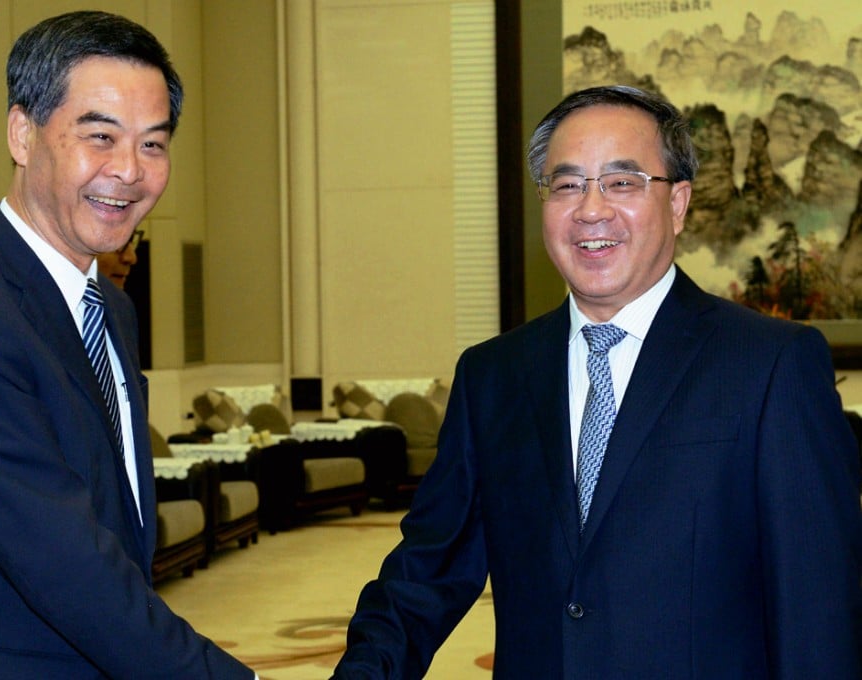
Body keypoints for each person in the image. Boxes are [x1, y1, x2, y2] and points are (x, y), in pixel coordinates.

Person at [333, 85, 862, 678]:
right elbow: (426, 571)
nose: (590, 209)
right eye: (566, 185)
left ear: (679, 202)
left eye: (622, 182)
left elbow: (819, 609)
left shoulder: (771, 366)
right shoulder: (493, 375)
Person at [0, 11, 253, 679]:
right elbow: (67, 566)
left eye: (153, 145)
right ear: (23, 133)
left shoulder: (112, 310)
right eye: (100, 136)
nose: (129, 171)